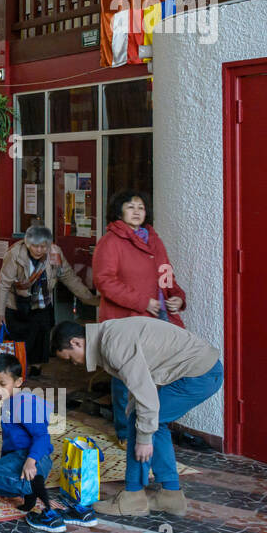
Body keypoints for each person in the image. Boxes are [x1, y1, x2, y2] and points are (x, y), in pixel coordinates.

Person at [51, 317, 223, 517]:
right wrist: (135, 416)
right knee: (144, 420)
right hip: (200, 372)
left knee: (145, 423)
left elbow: (145, 392)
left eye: (70, 358)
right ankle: (170, 496)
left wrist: (143, 439)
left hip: (200, 374)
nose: (74, 363)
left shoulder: (113, 343)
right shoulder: (106, 337)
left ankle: (133, 496)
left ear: (76, 342)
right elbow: (138, 382)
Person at [92, 190, 188, 444]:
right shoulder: (110, 242)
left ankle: (149, 426)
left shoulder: (154, 240)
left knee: (155, 375)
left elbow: (166, 275)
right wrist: (142, 301)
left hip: (157, 321)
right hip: (125, 321)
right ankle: (125, 431)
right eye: (130, 206)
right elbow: (104, 282)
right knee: (126, 377)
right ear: (119, 211)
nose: (137, 211)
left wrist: (177, 296)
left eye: (141, 207)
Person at [0, 352, 87, 532]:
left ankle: (31, 488)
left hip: (35, 459)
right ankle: (28, 490)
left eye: (2, 384)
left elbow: (42, 437)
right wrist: (3, 463)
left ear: (18, 382)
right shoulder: (10, 401)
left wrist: (30, 461)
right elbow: (10, 443)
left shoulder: (23, 403)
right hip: (20, 458)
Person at [0, 225, 98, 378]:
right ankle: (17, 369)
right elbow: (2, 284)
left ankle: (35, 368)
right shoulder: (15, 254)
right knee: (19, 340)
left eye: (43, 246)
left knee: (40, 336)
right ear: (27, 244)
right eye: (35, 246)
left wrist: (89, 299)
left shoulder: (55, 253)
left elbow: (68, 277)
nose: (39, 250)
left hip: (42, 302)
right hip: (18, 303)